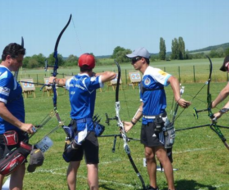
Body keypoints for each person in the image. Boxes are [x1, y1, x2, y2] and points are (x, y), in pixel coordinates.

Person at [123, 47, 191, 190]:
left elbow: (172, 79)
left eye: (134, 59)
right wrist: (132, 123)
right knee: (148, 154)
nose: (132, 62)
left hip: (156, 120)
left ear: (143, 60)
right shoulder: (143, 80)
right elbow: (143, 105)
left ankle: (171, 188)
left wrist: (177, 98)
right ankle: (153, 187)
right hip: (146, 121)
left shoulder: (153, 72)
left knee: (161, 155)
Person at [49, 53, 116, 190]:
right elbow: (112, 74)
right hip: (87, 126)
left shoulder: (72, 81)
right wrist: (95, 74)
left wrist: (54, 80)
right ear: (92, 66)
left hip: (73, 126)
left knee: (74, 163)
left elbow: (61, 82)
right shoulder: (89, 82)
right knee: (91, 164)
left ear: (79, 65)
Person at [0, 42, 36, 190]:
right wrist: (21, 125)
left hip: (0, 129)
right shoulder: (6, 76)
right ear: (8, 58)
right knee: (17, 168)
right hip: (11, 131)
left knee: (1, 167)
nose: (20, 64)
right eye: (18, 61)